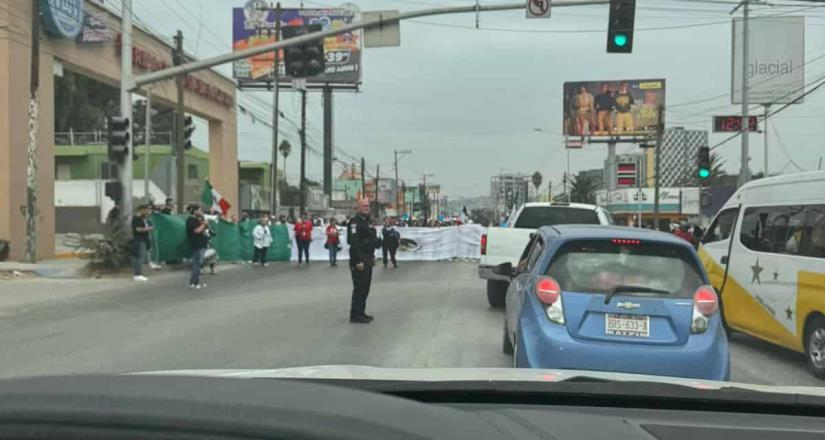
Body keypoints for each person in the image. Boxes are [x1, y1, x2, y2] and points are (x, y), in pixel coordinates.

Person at [347, 198, 378, 323]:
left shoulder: (367, 222)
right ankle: (355, 314)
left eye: (368, 206)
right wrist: (358, 261)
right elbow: (354, 243)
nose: (366, 208)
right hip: (359, 258)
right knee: (359, 287)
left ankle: (361, 312)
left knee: (365, 287)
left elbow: (370, 240)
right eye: (364, 206)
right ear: (358, 207)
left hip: (368, 257)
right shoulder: (355, 223)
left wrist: (372, 256)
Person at [186, 204, 209, 289]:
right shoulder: (191, 220)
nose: (201, 212)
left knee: (198, 264)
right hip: (197, 244)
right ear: (195, 211)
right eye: (199, 210)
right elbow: (196, 231)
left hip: (201, 244)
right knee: (197, 263)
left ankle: (195, 282)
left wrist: (204, 223)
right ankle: (193, 283)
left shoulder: (197, 220)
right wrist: (203, 224)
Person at [131, 205, 153, 282]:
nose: (147, 212)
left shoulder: (143, 219)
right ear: (141, 210)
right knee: (139, 257)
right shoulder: (136, 218)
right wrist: (148, 229)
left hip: (144, 239)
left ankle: (139, 273)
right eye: (146, 210)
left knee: (142, 257)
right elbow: (138, 229)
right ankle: (137, 274)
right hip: (139, 240)